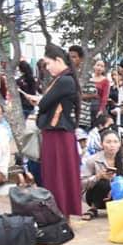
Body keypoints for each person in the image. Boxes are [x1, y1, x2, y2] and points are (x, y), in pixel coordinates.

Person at [25, 44, 82, 217]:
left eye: (48, 63)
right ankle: (61, 213)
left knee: (57, 175)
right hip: (57, 132)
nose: (47, 68)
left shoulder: (64, 80)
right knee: (58, 174)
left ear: (58, 60)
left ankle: (60, 213)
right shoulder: (64, 79)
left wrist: (38, 100)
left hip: (58, 133)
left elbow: (44, 104)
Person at [80, 128, 123, 219]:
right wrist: (97, 177)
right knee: (103, 183)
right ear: (101, 144)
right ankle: (93, 208)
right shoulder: (93, 160)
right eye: (108, 142)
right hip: (94, 195)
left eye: (115, 142)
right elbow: (81, 183)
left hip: (116, 196)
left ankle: (118, 208)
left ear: (119, 144)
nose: (112, 145)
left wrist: (116, 189)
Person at [69, 45, 98, 131]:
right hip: (67, 118)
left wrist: (75, 97)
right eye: (69, 57)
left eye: (74, 57)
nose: (71, 59)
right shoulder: (66, 73)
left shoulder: (86, 76)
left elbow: (94, 94)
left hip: (82, 119)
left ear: (81, 59)